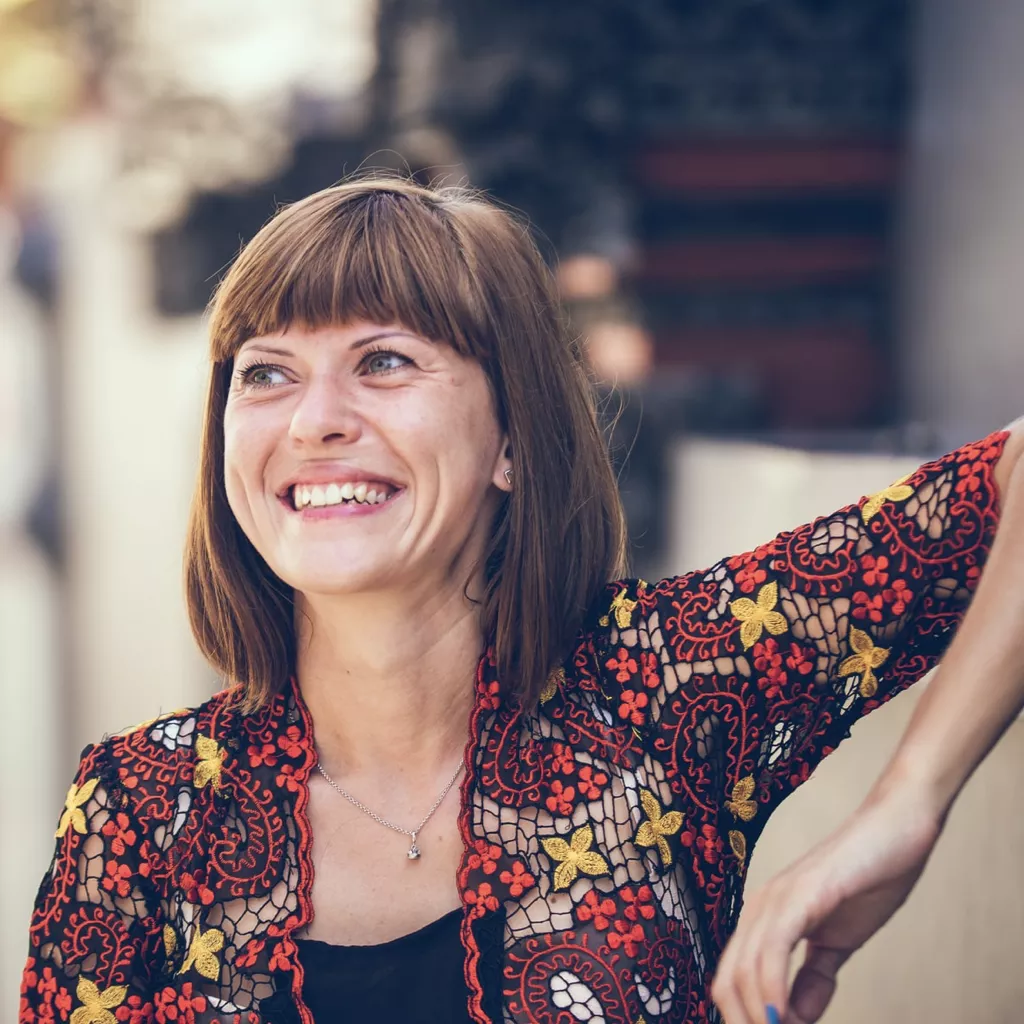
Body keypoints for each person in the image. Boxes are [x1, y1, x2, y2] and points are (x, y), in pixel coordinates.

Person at [18, 179, 1024, 1024]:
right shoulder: (142, 812)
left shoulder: (664, 690)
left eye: (384, 360)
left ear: (509, 436)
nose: (315, 420)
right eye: (266, 374)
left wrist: (909, 804)